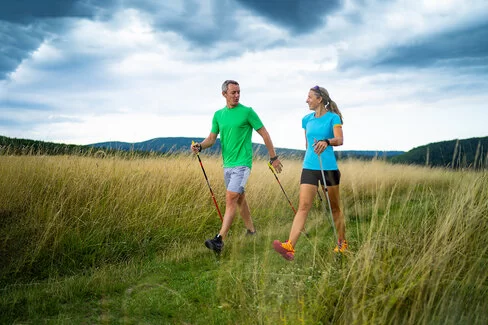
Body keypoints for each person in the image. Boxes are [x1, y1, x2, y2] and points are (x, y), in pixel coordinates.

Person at [191, 79, 283, 255]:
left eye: (239, 92)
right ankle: (252, 232)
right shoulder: (218, 115)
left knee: (231, 198)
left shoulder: (247, 112)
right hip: (227, 165)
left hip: (243, 164)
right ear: (224, 94)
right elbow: (211, 139)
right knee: (239, 198)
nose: (237, 95)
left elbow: (264, 133)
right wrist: (200, 146)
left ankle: (219, 240)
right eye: (233, 92)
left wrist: (273, 157)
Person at [273, 85, 346, 260]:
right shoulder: (306, 119)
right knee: (303, 207)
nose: (307, 100)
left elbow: (340, 140)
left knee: (335, 208)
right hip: (309, 167)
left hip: (328, 168)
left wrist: (327, 141)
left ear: (319, 99)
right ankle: (289, 246)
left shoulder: (333, 118)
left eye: (310, 97)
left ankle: (342, 243)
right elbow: (307, 144)